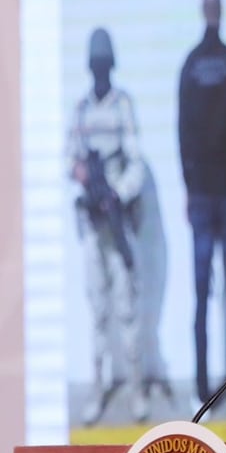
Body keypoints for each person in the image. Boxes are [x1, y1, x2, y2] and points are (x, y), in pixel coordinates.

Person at [66, 27, 148, 425]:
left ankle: (135, 390)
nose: (100, 71)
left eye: (104, 64)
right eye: (95, 65)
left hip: (117, 223)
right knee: (97, 311)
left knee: (127, 309)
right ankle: (98, 389)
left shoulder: (123, 106)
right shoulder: (81, 109)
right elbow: (70, 159)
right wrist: (81, 173)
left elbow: (137, 165)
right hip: (91, 228)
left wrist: (116, 194)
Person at [178, 0, 226, 421]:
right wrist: (191, 188)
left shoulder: (197, 63)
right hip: (210, 196)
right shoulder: (225, 63)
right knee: (212, 294)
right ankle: (211, 388)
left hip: (220, 196)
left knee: (223, 295)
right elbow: (184, 128)